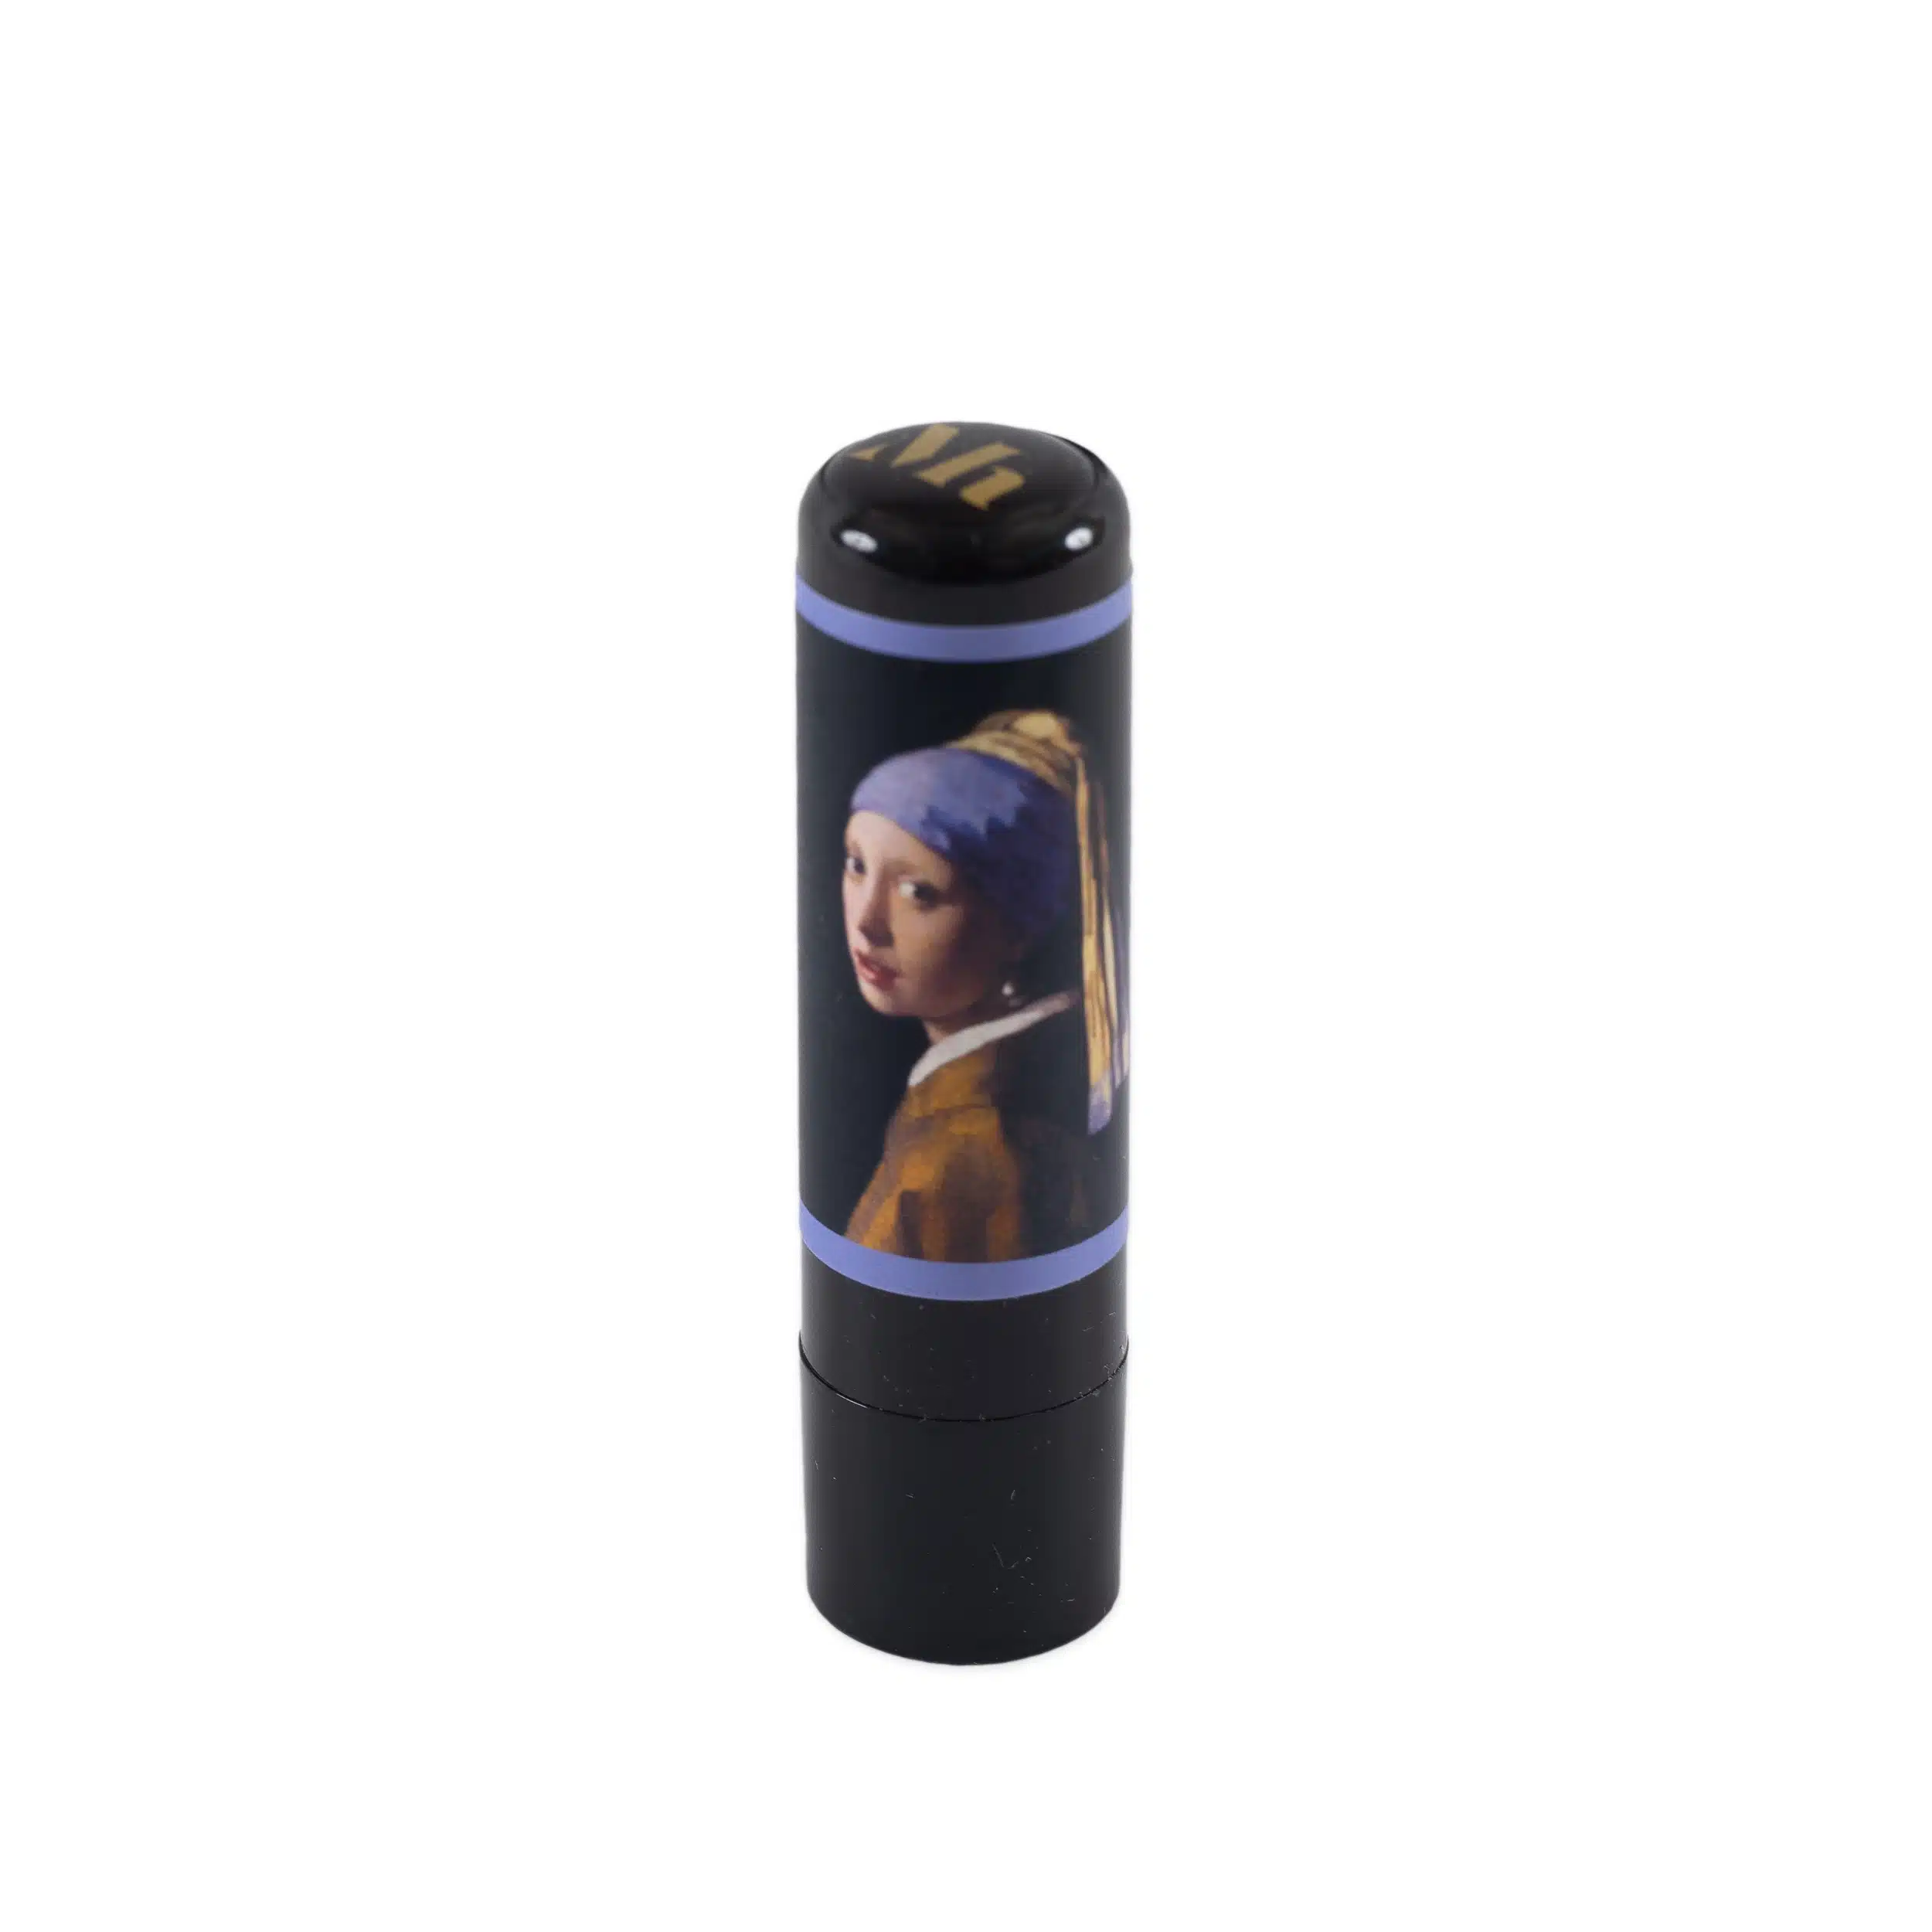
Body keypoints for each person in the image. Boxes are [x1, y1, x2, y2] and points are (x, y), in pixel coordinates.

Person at [839, 709, 1126, 1260]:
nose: (867, 922)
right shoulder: (964, 1106)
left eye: (918, 892)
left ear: (1017, 926)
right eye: (856, 864)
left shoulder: (973, 1149)